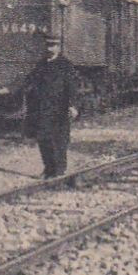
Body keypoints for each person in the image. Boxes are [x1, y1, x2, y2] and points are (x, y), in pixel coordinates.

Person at [23, 32, 79, 180]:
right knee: (43, 139)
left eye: (53, 46)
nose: (50, 49)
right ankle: (48, 169)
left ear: (58, 48)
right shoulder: (41, 64)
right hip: (43, 108)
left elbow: (72, 87)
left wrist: (72, 105)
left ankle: (59, 170)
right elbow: (29, 80)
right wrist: (9, 89)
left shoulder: (66, 65)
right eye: (48, 45)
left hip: (60, 109)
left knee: (59, 140)